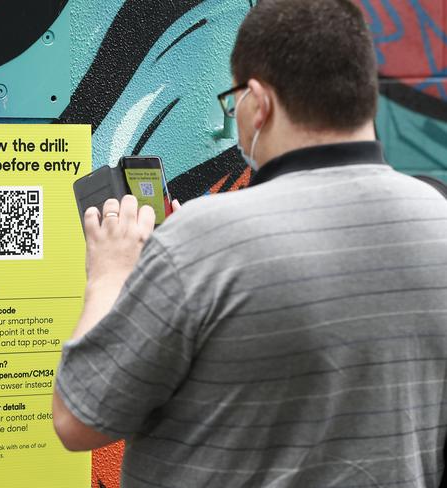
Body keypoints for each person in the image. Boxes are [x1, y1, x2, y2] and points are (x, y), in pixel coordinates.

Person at [52, 0, 447, 486]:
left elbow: (78, 420)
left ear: (258, 102)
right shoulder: (439, 221)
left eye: (233, 99)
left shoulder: (201, 241)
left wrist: (111, 272)